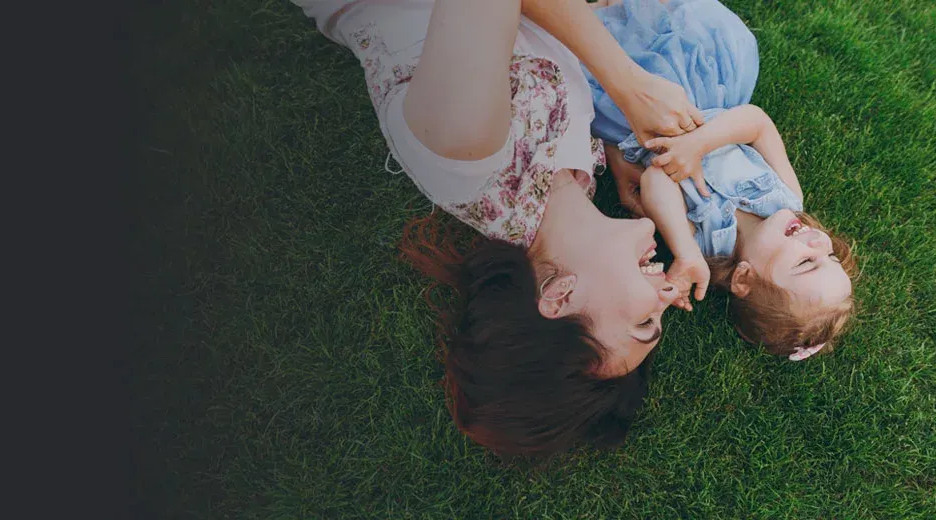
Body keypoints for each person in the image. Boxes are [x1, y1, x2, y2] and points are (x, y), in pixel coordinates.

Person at [290, 0, 705, 458]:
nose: (668, 296)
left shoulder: (469, 157)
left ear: (559, 297)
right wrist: (611, 149)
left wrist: (628, 83)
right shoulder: (567, 183)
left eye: (644, 321)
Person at [587, 0, 859, 361]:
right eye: (830, 256)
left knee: (596, 75)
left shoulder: (704, 245)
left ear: (744, 279)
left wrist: (683, 250)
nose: (818, 241)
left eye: (807, 262)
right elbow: (756, 122)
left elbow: (655, 182)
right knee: (677, 23)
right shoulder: (787, 197)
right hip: (707, 95)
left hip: (642, 125)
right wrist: (699, 143)